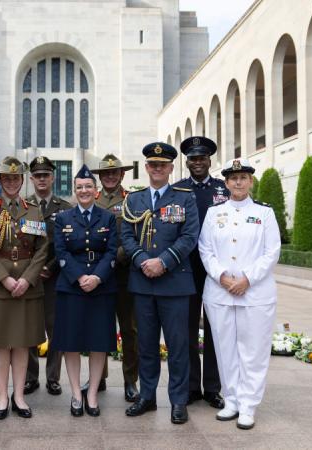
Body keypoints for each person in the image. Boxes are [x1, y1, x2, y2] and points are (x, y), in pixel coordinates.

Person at [198, 158, 281, 430]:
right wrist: (222, 276)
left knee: (253, 351)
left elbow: (272, 252)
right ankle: (231, 400)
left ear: (250, 181)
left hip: (254, 293)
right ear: (226, 182)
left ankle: (248, 405)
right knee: (225, 350)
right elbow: (205, 250)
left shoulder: (264, 213)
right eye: (233, 178)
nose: (237, 182)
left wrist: (247, 279)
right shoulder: (214, 213)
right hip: (220, 292)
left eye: (243, 177)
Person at [120, 142, 199, 425]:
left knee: (178, 345)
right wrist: (143, 260)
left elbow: (189, 236)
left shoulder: (184, 197)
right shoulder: (133, 199)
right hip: (142, 282)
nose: (157, 169)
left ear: (170, 168)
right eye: (152, 165)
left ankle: (178, 401)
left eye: (162, 165)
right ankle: (148, 396)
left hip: (175, 283)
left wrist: (163, 261)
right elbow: (126, 236)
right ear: (146, 168)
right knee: (146, 344)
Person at [0, 156, 48, 420]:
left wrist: (27, 279)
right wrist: (5, 279)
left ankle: (19, 396)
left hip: (26, 286)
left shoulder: (33, 210)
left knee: (21, 343)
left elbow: (41, 249)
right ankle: (3, 396)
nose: (11, 183)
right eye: (7, 178)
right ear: (0, 181)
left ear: (22, 180)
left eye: (16, 178)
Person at [51, 164, 118, 417]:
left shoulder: (108, 217)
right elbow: (61, 251)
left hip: (101, 287)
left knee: (98, 341)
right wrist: (80, 277)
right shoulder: (63, 218)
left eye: (88, 186)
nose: (84, 191)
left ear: (96, 189)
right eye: (79, 187)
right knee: (71, 342)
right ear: (74, 190)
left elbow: (112, 251)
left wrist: (97, 277)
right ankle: (76, 393)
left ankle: (92, 395)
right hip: (71, 286)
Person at [172, 136, 228, 410]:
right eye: (193, 158)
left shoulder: (223, 190)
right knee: (188, 329)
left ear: (209, 160)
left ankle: (213, 389)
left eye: (202, 158)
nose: (197, 162)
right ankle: (193, 386)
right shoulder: (177, 191)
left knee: (216, 329)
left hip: (216, 271)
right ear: (187, 161)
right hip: (186, 270)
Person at [89, 154, 140, 402]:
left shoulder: (132, 200)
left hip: (123, 273)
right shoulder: (92, 200)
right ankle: (99, 379)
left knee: (129, 330)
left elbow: (138, 235)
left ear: (122, 175)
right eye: (106, 173)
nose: (110, 176)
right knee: (98, 328)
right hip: (98, 276)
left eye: (115, 172)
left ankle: (131, 381)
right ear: (100, 177)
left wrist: (116, 256)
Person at [24, 155, 72, 396]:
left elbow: (67, 243)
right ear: (31, 179)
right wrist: (33, 271)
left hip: (55, 277)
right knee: (30, 328)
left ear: (53, 177)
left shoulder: (65, 208)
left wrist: (50, 267)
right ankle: (30, 377)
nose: (42, 179)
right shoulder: (23, 206)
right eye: (37, 175)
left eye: (46, 175)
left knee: (55, 330)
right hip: (30, 279)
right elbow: (21, 244)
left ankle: (53, 377)